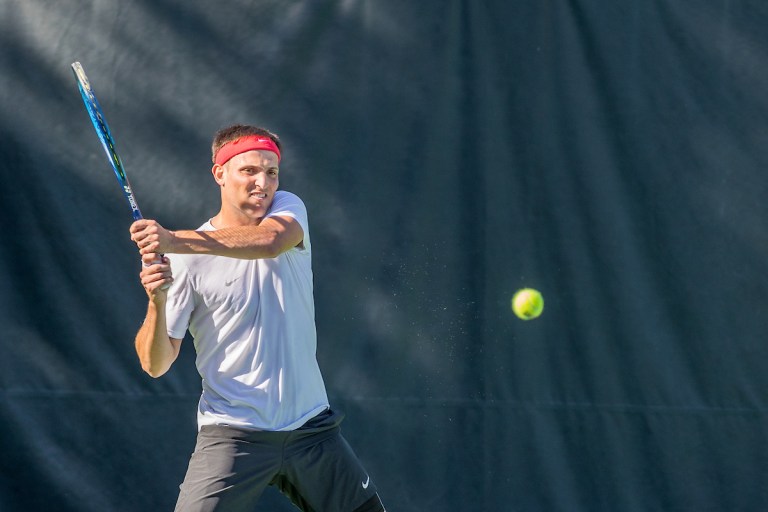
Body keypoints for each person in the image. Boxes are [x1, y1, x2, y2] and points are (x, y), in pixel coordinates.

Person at [129, 124, 386, 512]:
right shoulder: (185, 260)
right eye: (249, 170)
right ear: (219, 173)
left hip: (311, 431)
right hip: (232, 435)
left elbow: (268, 243)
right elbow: (155, 364)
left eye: (271, 171)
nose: (262, 182)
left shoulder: (288, 208)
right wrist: (157, 300)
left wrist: (171, 240)